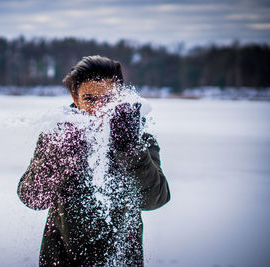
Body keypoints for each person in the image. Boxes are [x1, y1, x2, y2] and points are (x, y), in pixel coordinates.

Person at [17, 55, 170, 266]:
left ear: (119, 96)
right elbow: (32, 198)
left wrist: (129, 149)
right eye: (90, 99)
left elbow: (155, 199)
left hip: (122, 260)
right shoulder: (57, 135)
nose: (99, 108)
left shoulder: (139, 137)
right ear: (75, 96)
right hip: (61, 259)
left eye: (107, 99)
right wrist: (60, 157)